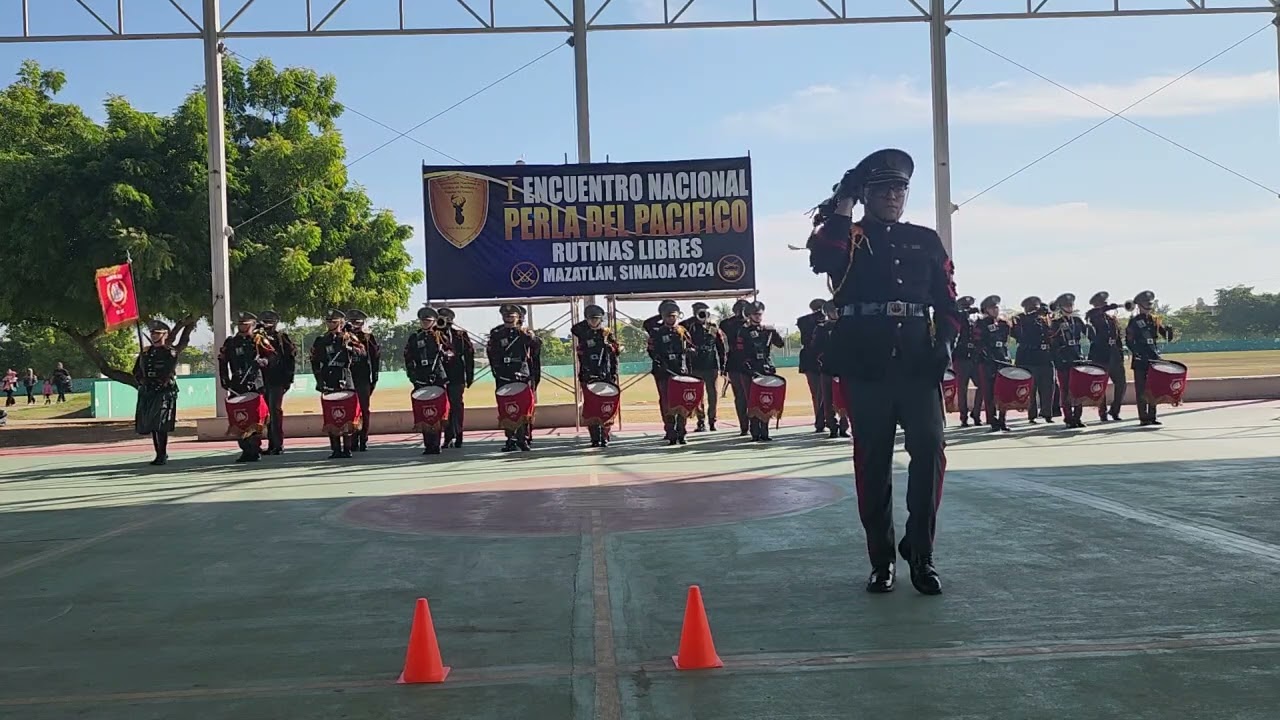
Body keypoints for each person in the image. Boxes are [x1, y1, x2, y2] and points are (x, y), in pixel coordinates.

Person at [804, 147, 960, 596]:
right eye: (884, 189)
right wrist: (842, 204)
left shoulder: (925, 239)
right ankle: (881, 558)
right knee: (872, 463)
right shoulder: (846, 234)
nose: (894, 196)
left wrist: (945, 346)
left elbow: (948, 303)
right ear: (866, 195)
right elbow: (824, 260)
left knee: (930, 452)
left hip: (916, 362)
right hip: (865, 362)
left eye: (900, 188)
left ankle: (922, 552)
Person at [217, 311, 274, 462]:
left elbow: (272, 358)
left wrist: (262, 362)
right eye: (240, 324)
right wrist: (224, 380)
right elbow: (222, 361)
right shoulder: (231, 342)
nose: (242, 327)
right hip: (237, 384)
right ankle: (245, 449)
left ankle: (255, 449)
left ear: (253, 325)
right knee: (239, 419)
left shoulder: (258, 340)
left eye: (246, 324)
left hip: (255, 384)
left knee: (255, 419)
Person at [487, 303, 542, 452]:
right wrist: (497, 371)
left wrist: (529, 335)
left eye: (512, 316)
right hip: (503, 375)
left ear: (518, 318)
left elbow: (536, 347)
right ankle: (510, 439)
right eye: (506, 316)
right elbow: (491, 353)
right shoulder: (497, 333)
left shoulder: (524, 333)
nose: (509, 319)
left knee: (523, 410)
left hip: (521, 375)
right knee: (507, 410)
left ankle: (523, 439)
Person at [311, 309, 364, 459]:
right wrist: (319, 380)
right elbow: (315, 361)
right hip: (329, 380)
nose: (330, 324)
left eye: (333, 321)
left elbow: (362, 352)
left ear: (340, 322)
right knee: (331, 416)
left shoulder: (348, 337)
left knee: (347, 416)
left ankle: (347, 449)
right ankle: (335, 449)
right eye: (328, 321)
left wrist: (350, 348)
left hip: (345, 379)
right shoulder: (321, 340)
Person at [732, 301, 785, 442]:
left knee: (767, 399)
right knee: (753, 400)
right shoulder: (743, 331)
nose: (758, 317)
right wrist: (747, 365)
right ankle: (755, 431)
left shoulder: (766, 330)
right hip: (749, 370)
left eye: (760, 314)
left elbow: (780, 344)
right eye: (755, 314)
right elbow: (740, 351)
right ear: (749, 315)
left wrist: (774, 332)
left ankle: (765, 431)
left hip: (765, 367)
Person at [572, 303, 621, 447]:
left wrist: (607, 339)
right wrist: (589, 323)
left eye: (596, 319)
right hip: (588, 374)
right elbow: (574, 328)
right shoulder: (583, 332)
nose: (594, 321)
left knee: (605, 405)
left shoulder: (607, 333)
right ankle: (594, 436)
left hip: (605, 373)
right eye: (591, 319)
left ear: (601, 319)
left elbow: (616, 351)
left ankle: (605, 435)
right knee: (591, 407)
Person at [404, 306, 452, 454]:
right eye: (423, 321)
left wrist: (442, 351)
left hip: (437, 376)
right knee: (424, 412)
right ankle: (427, 445)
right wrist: (413, 376)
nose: (425, 323)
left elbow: (451, 354)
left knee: (436, 412)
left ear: (434, 321)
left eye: (428, 321)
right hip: (421, 377)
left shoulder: (440, 336)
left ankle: (436, 444)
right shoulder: (414, 337)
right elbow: (408, 357)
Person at [133, 320, 181, 466]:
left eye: (157, 333)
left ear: (165, 335)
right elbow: (136, 371)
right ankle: (158, 453)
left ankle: (162, 453)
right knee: (152, 425)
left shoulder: (170, 352)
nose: (154, 336)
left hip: (164, 391)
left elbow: (168, 371)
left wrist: (160, 383)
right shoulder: (146, 353)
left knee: (161, 424)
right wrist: (142, 380)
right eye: (152, 333)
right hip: (149, 390)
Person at [648, 299, 695, 445]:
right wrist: (658, 360)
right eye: (668, 316)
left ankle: (682, 431)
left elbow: (691, 347)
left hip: (681, 371)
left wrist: (691, 351)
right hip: (663, 372)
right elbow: (651, 350)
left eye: (674, 316)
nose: (671, 319)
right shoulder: (656, 332)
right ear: (662, 316)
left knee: (682, 401)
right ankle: (670, 431)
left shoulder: (682, 331)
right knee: (666, 402)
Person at [1125, 290, 1174, 426]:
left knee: (1154, 388)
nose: (1149, 306)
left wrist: (1170, 331)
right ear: (1140, 305)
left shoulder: (1155, 320)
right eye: (1146, 303)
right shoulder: (1134, 322)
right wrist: (1136, 352)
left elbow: (1167, 337)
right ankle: (1143, 417)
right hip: (1141, 359)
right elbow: (1129, 340)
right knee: (1141, 390)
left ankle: (1153, 415)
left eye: (1150, 303)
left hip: (1153, 358)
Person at [681, 302, 727, 432]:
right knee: (698, 395)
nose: (702, 314)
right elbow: (679, 333)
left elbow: (721, 347)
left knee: (713, 395)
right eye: (698, 311)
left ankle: (712, 421)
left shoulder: (713, 327)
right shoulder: (688, 326)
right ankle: (701, 421)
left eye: (704, 311)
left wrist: (723, 365)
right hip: (695, 366)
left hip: (711, 365)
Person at [1011, 296, 1056, 424]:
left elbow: (1053, 332)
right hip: (1028, 358)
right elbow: (1017, 334)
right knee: (1031, 389)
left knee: (1048, 387)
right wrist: (1033, 316)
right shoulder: (1021, 319)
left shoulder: (1045, 321)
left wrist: (1047, 315)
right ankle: (1032, 415)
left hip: (1046, 358)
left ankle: (1047, 414)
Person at [257, 310, 297, 455]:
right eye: (264, 321)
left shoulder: (281, 338)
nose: (266, 324)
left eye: (269, 321)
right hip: (260, 381)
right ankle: (266, 445)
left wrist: (288, 379)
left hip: (277, 380)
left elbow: (291, 357)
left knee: (275, 412)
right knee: (262, 414)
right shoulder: (256, 337)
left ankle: (278, 444)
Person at [436, 307, 475, 448]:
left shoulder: (459, 335)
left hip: (456, 376)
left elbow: (469, 355)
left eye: (445, 320)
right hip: (438, 377)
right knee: (441, 407)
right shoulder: (432, 334)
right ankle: (446, 437)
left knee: (456, 406)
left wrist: (469, 376)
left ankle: (457, 434)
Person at [1085, 291, 1126, 422]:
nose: (1105, 305)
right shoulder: (1092, 316)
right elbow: (1093, 319)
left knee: (1121, 384)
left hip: (1114, 355)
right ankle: (1102, 413)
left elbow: (1117, 337)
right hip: (1100, 355)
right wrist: (1106, 308)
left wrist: (1120, 352)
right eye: (1103, 304)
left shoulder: (1111, 319)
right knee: (1100, 385)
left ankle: (1115, 410)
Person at [1050, 293, 1089, 428]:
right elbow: (1053, 343)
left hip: (1077, 358)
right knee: (1065, 390)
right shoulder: (1056, 323)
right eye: (1067, 305)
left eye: (1071, 304)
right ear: (1061, 307)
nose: (1070, 307)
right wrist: (1059, 359)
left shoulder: (1077, 321)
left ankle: (1077, 417)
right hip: (1064, 360)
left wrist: (1088, 322)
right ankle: (1068, 418)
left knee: (1079, 390)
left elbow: (1089, 334)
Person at [811, 301, 849, 438]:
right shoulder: (821, 328)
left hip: (843, 368)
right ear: (827, 313)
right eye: (833, 311)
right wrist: (822, 358)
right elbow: (815, 347)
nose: (836, 313)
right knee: (827, 399)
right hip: (827, 368)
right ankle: (832, 426)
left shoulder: (845, 325)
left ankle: (844, 427)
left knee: (844, 398)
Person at [344, 309, 380, 451]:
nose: (355, 325)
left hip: (363, 377)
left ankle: (363, 439)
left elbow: (374, 357)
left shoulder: (367, 338)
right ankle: (352, 440)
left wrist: (374, 377)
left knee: (364, 410)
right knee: (350, 410)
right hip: (348, 378)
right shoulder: (343, 336)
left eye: (357, 322)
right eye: (352, 322)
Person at [976, 295, 1012, 433]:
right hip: (987, 362)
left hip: (1002, 359)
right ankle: (992, 421)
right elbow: (978, 342)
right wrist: (986, 355)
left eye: (996, 307)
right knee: (989, 392)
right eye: (992, 308)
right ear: (986, 310)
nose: (995, 310)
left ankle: (1003, 420)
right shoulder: (981, 324)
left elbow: (1006, 341)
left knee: (1004, 392)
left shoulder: (1003, 324)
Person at [719, 299, 752, 434]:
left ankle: (754, 424)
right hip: (735, 362)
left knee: (751, 395)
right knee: (740, 395)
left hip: (752, 362)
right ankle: (744, 425)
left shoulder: (751, 324)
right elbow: (724, 325)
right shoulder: (729, 324)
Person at [953, 296, 984, 426]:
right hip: (961, 357)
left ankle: (976, 414)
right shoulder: (958, 317)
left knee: (982, 385)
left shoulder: (974, 319)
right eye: (965, 306)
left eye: (969, 306)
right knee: (962, 388)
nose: (969, 309)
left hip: (974, 357)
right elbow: (958, 318)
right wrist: (965, 312)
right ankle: (963, 416)